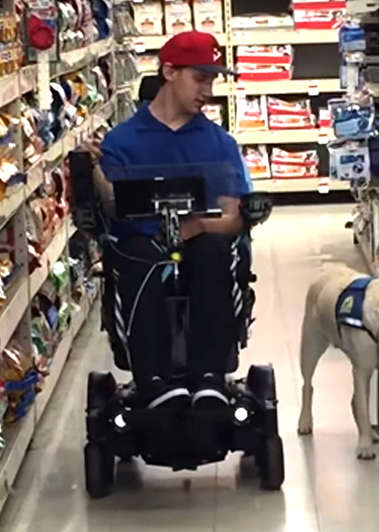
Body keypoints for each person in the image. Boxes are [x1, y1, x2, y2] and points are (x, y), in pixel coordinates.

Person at [79, 31, 253, 412]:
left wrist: (202, 227)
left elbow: (234, 218)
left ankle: (209, 376)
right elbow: (112, 209)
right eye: (200, 77)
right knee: (135, 254)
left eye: (212, 79)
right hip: (143, 248)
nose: (207, 89)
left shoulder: (220, 144)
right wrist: (94, 170)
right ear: (169, 71)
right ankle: (153, 380)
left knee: (212, 251)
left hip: (199, 243)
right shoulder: (121, 143)